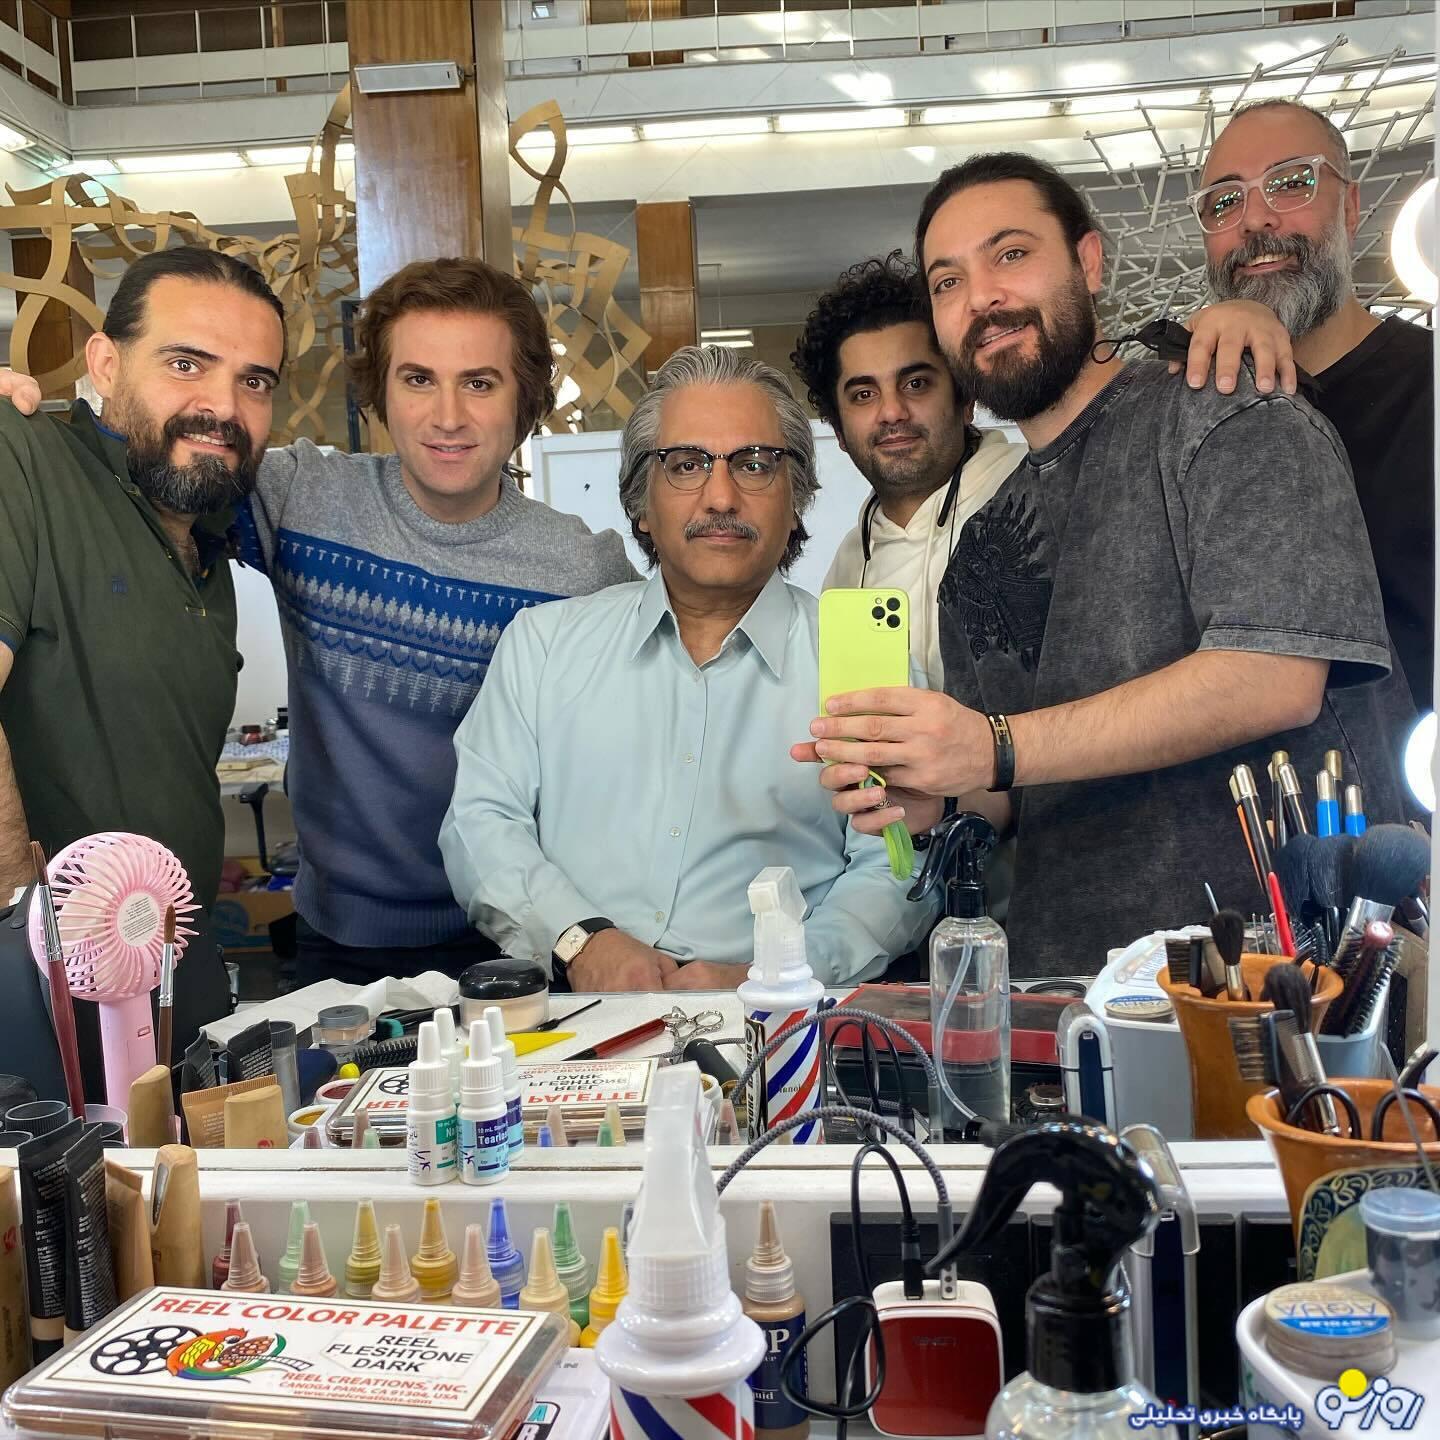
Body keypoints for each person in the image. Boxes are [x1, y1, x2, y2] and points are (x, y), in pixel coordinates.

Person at [795, 152, 1415, 977]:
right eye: (948, 282)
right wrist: (936, 792)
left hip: (1277, 986)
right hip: (1062, 991)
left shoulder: (1226, 413)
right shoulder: (980, 548)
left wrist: (994, 747)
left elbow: (1276, 674)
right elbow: (1009, 782)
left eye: (1011, 254)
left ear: (1089, 261)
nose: (982, 298)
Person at [1, 257, 636, 986]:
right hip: (339, 939)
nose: (448, 416)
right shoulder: (299, 496)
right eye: (418, 379)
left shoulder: (583, 571)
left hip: (524, 934)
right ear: (379, 394)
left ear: (525, 400)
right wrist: (29, 422)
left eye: (480, 383)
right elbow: (153, 462)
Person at [440, 345, 936, 992]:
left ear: (795, 502)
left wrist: (776, 974)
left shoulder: (869, 664)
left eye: (755, 464)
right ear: (641, 505)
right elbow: (480, 823)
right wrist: (579, 940)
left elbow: (896, 869)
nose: (721, 496)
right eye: (686, 465)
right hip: (574, 1018)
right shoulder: (542, 646)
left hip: (781, 1022)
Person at [0, 244, 286, 1054]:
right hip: (41, 992)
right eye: (185, 363)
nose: (221, 406)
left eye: (255, 382)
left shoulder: (210, 537)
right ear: (105, 363)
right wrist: (20, 926)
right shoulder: (24, 456)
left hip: (168, 978)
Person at [1198, 98, 1434, 711]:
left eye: (1291, 182)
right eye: (1225, 201)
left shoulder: (1427, 385)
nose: (1255, 219)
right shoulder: (1194, 416)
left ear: (1350, 208)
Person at [791, 251, 1024, 689]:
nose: (892, 411)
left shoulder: (1032, 498)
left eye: (916, 384)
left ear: (966, 399)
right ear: (838, 431)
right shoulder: (848, 568)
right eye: (863, 394)